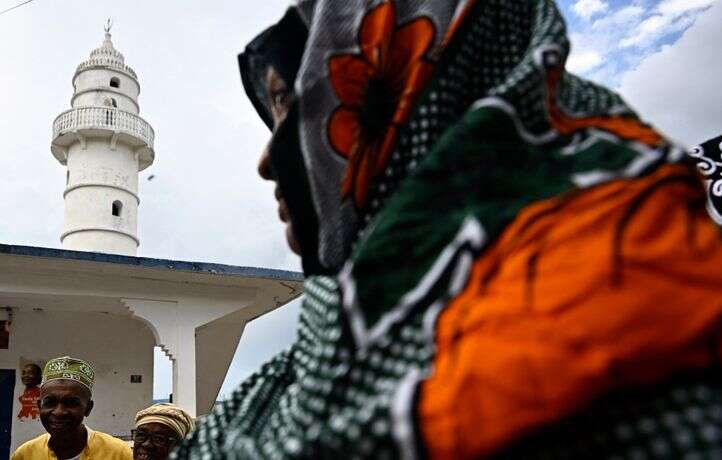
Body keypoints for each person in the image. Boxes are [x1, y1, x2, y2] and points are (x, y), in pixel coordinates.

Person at [173, 2, 722, 459]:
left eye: (297, 109)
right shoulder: (316, 348)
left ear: (400, 97)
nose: (267, 161)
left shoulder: (635, 305)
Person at [11, 356, 132, 460]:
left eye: (71, 403)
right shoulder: (25, 455)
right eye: (50, 402)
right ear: (39, 406)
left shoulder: (119, 454)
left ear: (88, 408)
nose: (59, 412)